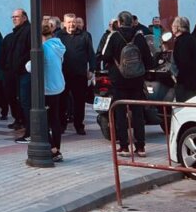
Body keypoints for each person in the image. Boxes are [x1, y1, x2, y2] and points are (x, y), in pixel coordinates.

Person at [99, 11, 154, 157]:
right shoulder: (139, 37)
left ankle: (124, 147)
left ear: (119, 21)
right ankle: (141, 147)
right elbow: (148, 59)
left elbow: (105, 56)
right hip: (137, 81)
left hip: (119, 80)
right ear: (132, 22)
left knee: (120, 114)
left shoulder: (114, 36)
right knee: (138, 114)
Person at [28, 19, 66, 162]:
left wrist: (27, 65)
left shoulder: (43, 48)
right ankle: (57, 148)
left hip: (47, 87)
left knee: (43, 119)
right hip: (58, 85)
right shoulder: (58, 45)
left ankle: (53, 150)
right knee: (55, 119)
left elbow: (35, 66)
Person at [60, 14, 95, 136]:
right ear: (64, 23)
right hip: (63, 75)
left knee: (79, 102)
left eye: (73, 22)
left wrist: (92, 69)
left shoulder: (84, 36)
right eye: (69, 22)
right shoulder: (59, 36)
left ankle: (79, 125)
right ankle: (62, 125)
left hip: (79, 75)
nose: (72, 24)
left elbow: (91, 53)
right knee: (62, 102)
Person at [2, 9, 32, 137]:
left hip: (25, 72)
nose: (14, 19)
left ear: (24, 18)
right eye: (13, 17)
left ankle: (30, 130)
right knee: (17, 99)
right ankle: (21, 122)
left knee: (26, 101)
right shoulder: (14, 33)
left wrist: (20, 64)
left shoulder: (28, 30)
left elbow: (29, 51)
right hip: (14, 73)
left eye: (17, 17)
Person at [170, 17, 196, 102]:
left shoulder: (183, 41)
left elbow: (184, 62)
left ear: (178, 27)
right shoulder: (189, 38)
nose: (172, 27)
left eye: (173, 25)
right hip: (192, 80)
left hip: (187, 82)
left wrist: (178, 76)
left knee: (184, 105)